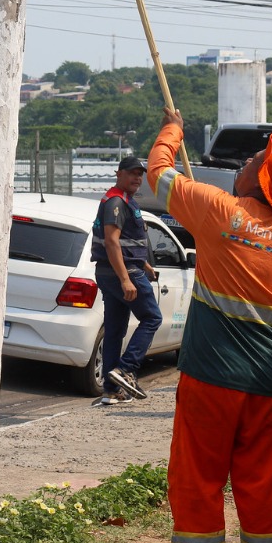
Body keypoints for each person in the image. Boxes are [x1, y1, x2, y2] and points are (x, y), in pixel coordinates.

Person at [147, 109, 272, 543]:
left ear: (260, 180)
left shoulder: (217, 209)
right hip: (266, 387)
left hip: (209, 379)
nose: (244, 163)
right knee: (263, 483)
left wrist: (173, 128)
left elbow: (158, 172)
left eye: (252, 160)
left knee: (198, 478)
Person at [91, 154, 162, 404]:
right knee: (152, 317)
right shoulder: (116, 202)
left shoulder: (123, 200)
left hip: (114, 271)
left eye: (140, 174)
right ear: (118, 174)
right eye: (132, 173)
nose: (137, 178)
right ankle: (126, 369)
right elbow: (111, 242)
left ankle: (111, 390)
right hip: (122, 273)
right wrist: (125, 279)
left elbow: (124, 242)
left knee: (115, 330)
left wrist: (145, 264)